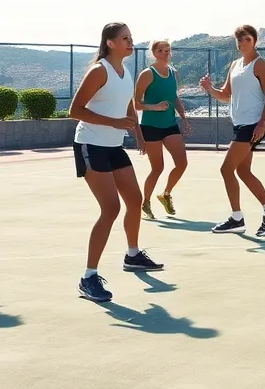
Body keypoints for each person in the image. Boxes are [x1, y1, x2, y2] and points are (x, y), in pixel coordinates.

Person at [70, 22, 164, 303]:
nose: (130, 41)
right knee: (110, 208)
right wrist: (114, 123)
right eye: (124, 38)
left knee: (134, 201)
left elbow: (127, 105)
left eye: (130, 37)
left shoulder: (125, 71)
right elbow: (75, 110)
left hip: (113, 147)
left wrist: (138, 133)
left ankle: (132, 255)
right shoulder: (100, 70)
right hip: (90, 144)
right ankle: (88, 277)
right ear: (110, 43)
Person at [200, 24, 265, 236]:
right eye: (239, 40)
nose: (242, 43)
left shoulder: (260, 64)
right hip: (240, 124)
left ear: (254, 40)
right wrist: (210, 89)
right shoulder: (235, 65)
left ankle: (237, 218)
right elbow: (225, 95)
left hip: (253, 125)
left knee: (226, 169)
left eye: (246, 39)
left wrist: (262, 123)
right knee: (243, 171)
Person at [133, 39, 190, 220]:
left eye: (168, 50)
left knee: (182, 163)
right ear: (154, 53)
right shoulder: (147, 74)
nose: (166, 53)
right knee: (157, 168)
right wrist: (154, 107)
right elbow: (136, 103)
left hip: (170, 125)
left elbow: (174, 97)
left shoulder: (174, 73)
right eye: (161, 51)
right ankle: (146, 202)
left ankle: (166, 194)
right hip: (150, 127)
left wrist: (183, 118)